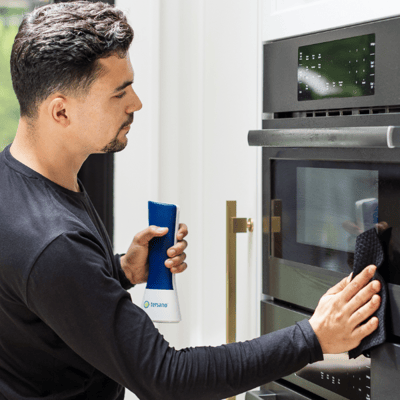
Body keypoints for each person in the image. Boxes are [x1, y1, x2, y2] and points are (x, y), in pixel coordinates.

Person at [0, 2, 381, 399]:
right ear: (60, 111)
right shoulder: (53, 241)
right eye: (119, 93)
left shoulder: (16, 180)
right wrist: (314, 337)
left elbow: (42, 300)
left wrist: (122, 272)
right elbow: (167, 377)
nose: (136, 103)